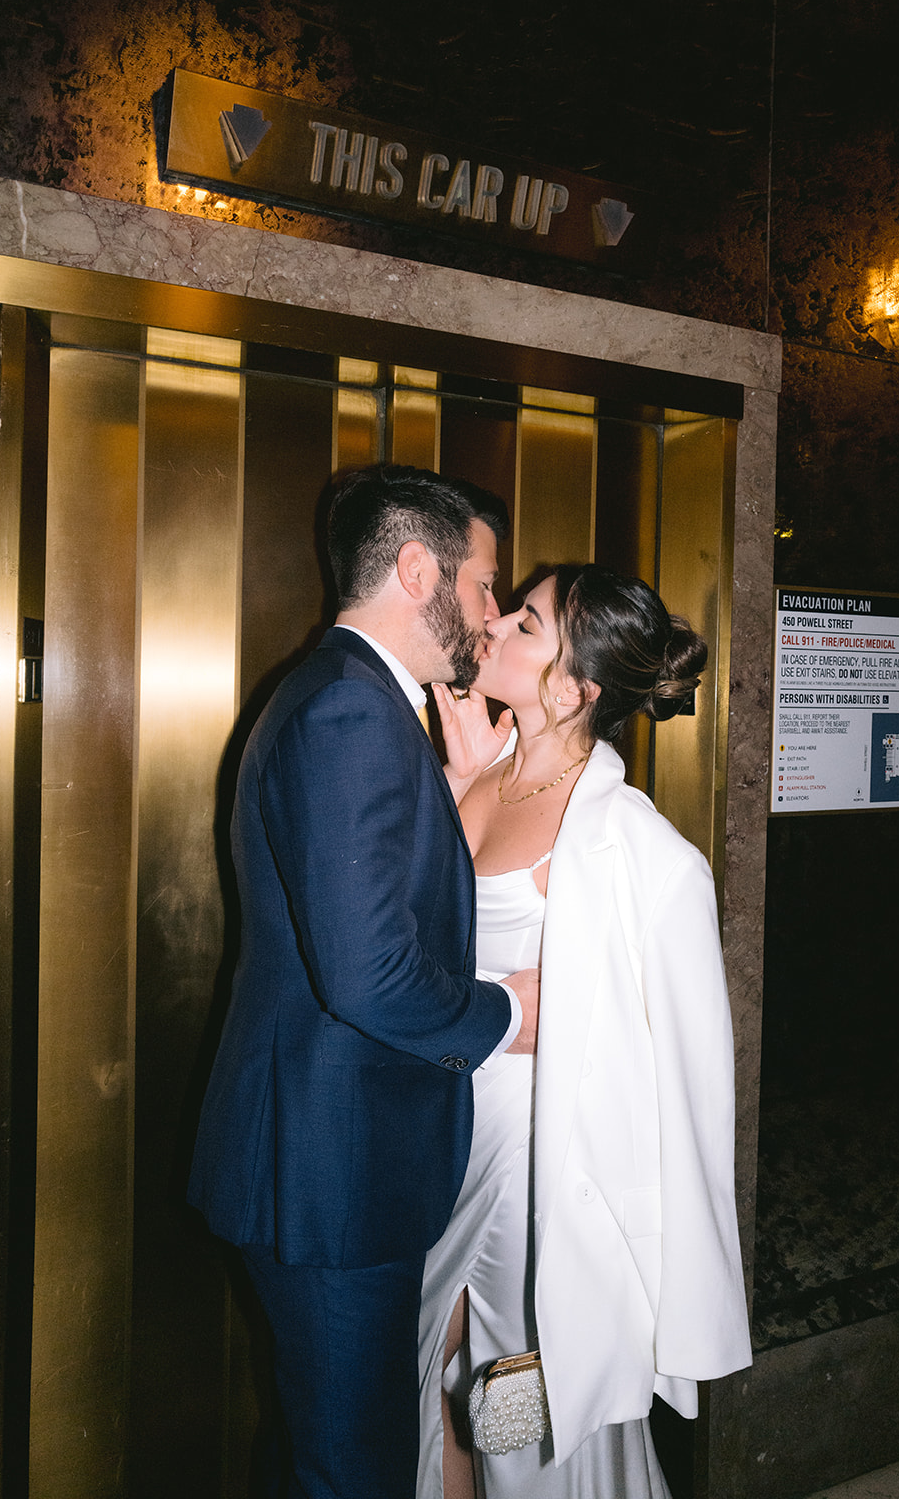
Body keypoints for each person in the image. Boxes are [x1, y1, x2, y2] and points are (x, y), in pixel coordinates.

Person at [188, 465, 541, 1499]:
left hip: (353, 1161)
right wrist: (515, 1011)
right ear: (416, 566)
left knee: (360, 1445)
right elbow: (370, 970)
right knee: (357, 1468)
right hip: (332, 1173)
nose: (489, 614)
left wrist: (459, 788)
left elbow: (368, 890)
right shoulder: (351, 711)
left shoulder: (354, 702)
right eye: (483, 586)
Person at [417, 563, 752, 1499]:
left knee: (521, 1410)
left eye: (525, 624)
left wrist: (676, 1291)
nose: (495, 625)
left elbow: (690, 1087)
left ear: (572, 686)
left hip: (543, 1169)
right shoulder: (470, 771)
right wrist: (454, 777)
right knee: (428, 1392)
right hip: (434, 1134)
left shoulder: (639, 850)